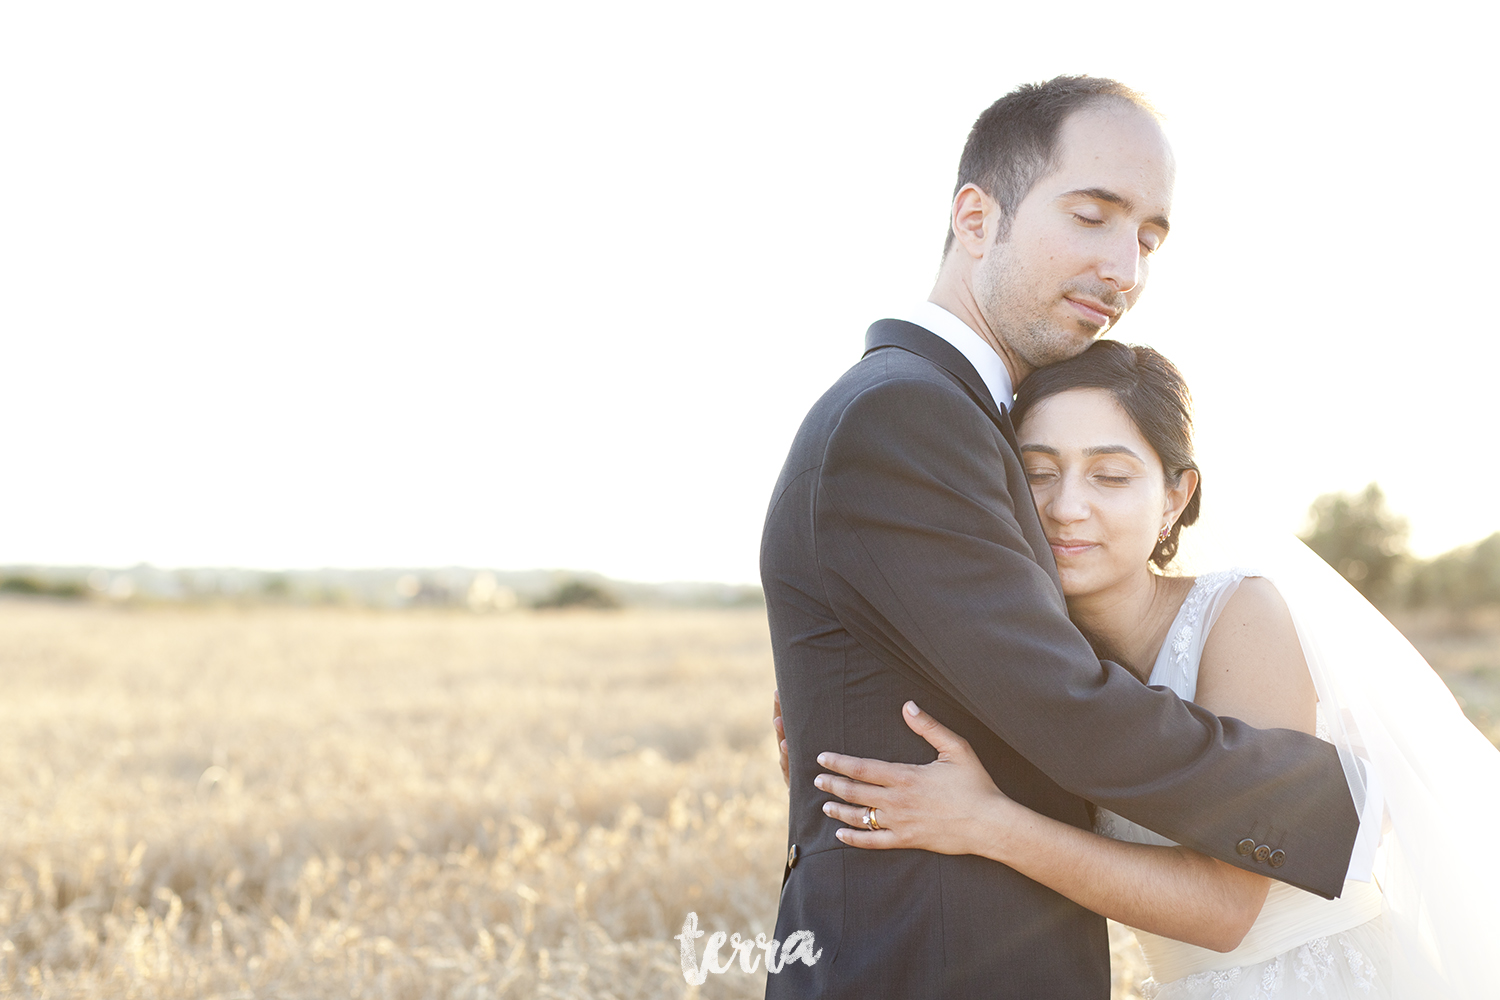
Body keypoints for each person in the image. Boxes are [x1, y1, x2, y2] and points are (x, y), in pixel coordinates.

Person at [760, 76, 1368, 1000]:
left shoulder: (953, 415)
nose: (1124, 268)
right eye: (1092, 215)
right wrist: (1331, 798)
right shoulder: (904, 415)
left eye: (1149, 238)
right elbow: (1065, 706)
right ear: (974, 216)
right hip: (920, 965)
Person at [805, 340, 1500, 997]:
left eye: (1110, 476)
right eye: (1036, 473)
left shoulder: (1243, 614)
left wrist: (990, 824)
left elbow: (1227, 908)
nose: (1066, 507)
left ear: (1173, 498)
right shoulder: (1028, 664)